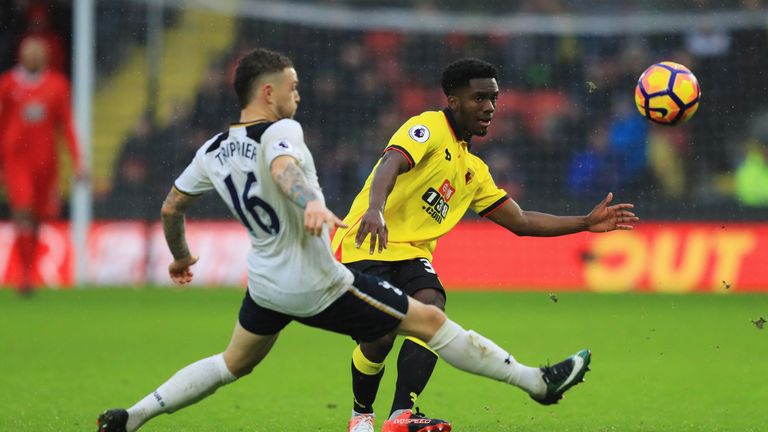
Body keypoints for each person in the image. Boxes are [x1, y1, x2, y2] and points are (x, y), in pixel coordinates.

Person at [96, 48, 595, 432]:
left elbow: (170, 207)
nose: (297, 96)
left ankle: (132, 416)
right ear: (267, 92)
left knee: (232, 363)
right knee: (431, 322)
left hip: (265, 283)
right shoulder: (281, 130)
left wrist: (181, 256)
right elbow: (284, 167)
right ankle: (535, 382)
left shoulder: (212, 149)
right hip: (315, 281)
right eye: (292, 87)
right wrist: (310, 201)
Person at [331, 58, 639, 432]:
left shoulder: (474, 171)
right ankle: (361, 414)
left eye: (493, 98)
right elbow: (390, 163)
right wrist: (375, 210)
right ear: (454, 100)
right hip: (367, 242)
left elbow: (521, 222)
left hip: (412, 253)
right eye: (479, 98)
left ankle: (402, 416)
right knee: (378, 337)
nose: (489, 107)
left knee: (432, 311)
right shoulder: (427, 126)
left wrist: (585, 223)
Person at [0, 36, 83, 295]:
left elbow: (66, 125)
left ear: (46, 56)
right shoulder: (7, 85)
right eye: (30, 52)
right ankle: (24, 276)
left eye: (39, 52)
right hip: (17, 161)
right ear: (21, 55)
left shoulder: (57, 85)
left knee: (37, 218)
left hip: (46, 163)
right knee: (22, 210)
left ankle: (28, 272)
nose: (34, 57)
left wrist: (78, 162)